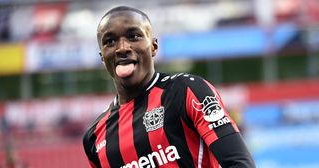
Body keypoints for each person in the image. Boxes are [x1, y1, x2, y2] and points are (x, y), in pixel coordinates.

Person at [83, 6, 256, 168]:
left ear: (154, 46)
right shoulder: (94, 137)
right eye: (110, 41)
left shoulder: (186, 91)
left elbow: (239, 163)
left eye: (134, 36)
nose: (122, 48)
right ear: (102, 57)